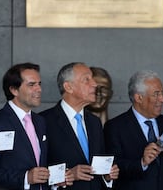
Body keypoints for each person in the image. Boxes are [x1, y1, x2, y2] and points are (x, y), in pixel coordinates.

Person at [0, 63, 71, 190]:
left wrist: (55, 179)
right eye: (31, 85)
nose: (39, 89)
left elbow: (40, 164)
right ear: (14, 90)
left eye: (39, 84)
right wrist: (25, 177)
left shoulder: (40, 121)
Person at [104, 70, 163, 190]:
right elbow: (111, 167)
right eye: (156, 94)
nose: (162, 99)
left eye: (162, 93)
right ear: (139, 97)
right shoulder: (115, 127)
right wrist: (141, 163)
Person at [40, 62, 119, 190]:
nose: (94, 84)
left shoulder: (94, 122)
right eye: (87, 80)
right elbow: (34, 169)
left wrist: (107, 176)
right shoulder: (43, 121)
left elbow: (99, 164)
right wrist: (68, 174)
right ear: (68, 87)